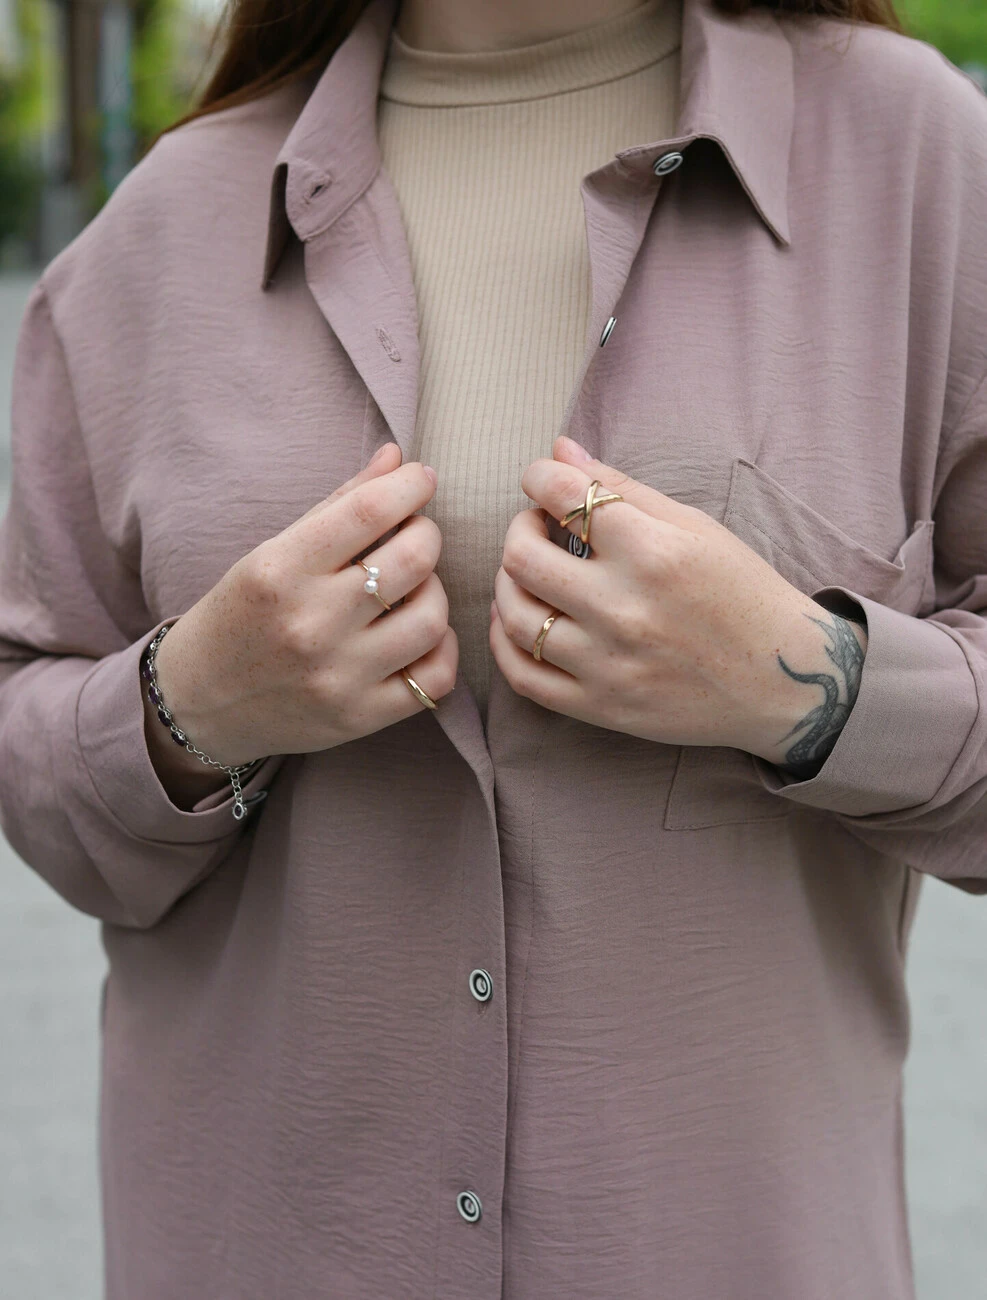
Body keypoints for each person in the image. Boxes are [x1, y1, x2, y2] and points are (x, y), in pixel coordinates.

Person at [1, 0, 986, 1294]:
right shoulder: (163, 229)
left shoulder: (916, 160)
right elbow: (30, 740)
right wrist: (191, 707)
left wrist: (808, 685)